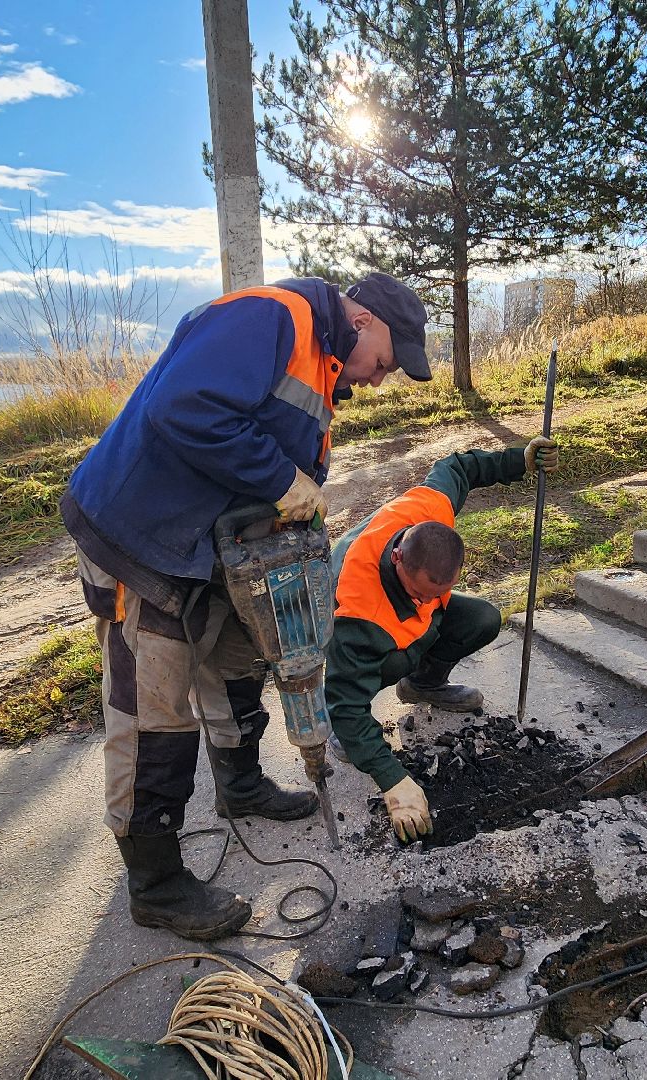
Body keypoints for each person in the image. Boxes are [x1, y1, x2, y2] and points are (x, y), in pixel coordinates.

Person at [60, 272, 431, 941]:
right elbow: (186, 407)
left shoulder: (321, 367)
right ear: (365, 320)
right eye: (386, 362)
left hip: (206, 546)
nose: (380, 380)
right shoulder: (274, 317)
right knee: (155, 708)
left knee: (235, 661)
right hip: (141, 532)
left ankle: (239, 783)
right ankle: (156, 883)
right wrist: (281, 478)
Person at [323, 438, 560, 843]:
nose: (429, 603)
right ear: (398, 557)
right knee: (371, 681)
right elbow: (343, 701)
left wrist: (517, 459)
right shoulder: (357, 612)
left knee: (482, 618)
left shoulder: (430, 509)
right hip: (358, 623)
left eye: (438, 594)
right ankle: (343, 732)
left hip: (393, 607)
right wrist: (392, 779)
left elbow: (458, 467)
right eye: (421, 594)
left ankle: (424, 684)